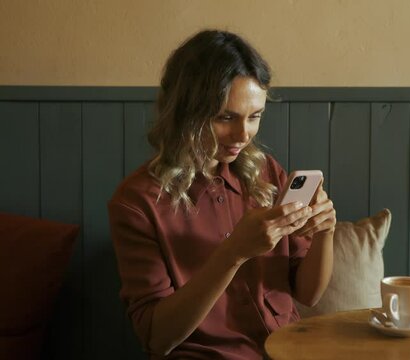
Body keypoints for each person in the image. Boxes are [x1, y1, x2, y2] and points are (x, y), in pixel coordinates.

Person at [108, 29, 336, 359]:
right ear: (185, 112)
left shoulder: (266, 173)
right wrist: (233, 253)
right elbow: (157, 339)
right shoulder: (138, 203)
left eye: (254, 117)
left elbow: (308, 294)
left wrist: (325, 231)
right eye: (225, 117)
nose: (243, 134)